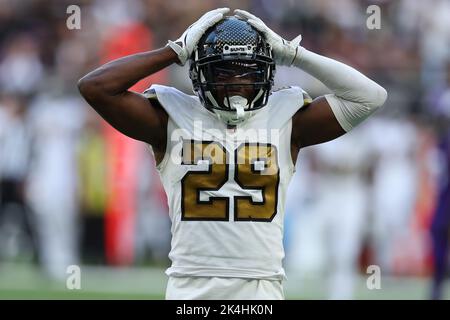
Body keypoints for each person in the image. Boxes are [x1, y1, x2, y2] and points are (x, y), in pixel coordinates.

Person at [78, 8, 387, 299]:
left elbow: (369, 96)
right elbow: (94, 87)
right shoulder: (171, 115)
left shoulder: (286, 117)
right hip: (191, 287)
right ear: (200, 73)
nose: (238, 82)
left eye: (248, 71)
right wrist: (173, 51)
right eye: (224, 72)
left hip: (260, 288)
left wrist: (295, 54)